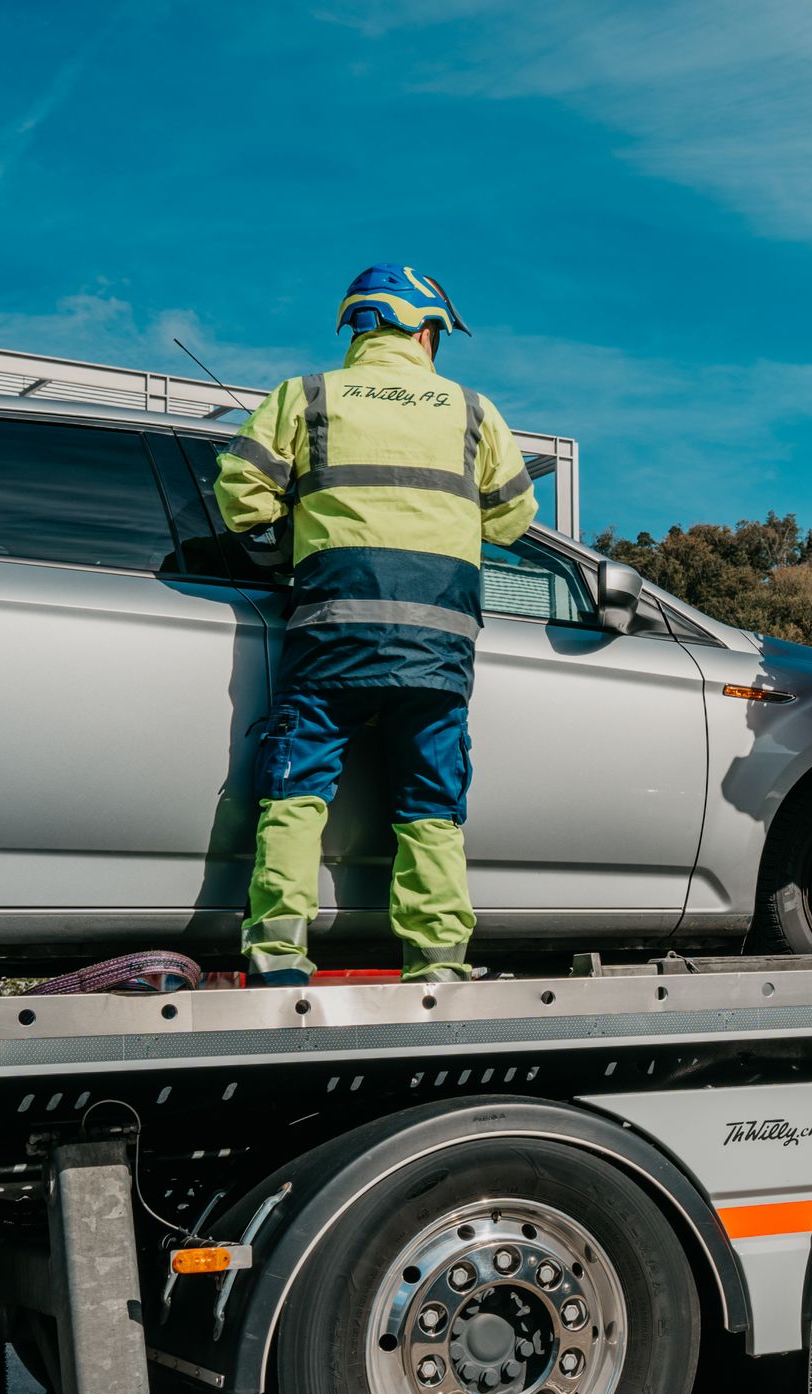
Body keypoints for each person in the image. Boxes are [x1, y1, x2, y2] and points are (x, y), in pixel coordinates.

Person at [215, 265, 537, 986]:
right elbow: (516, 519)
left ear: (359, 327)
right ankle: (437, 964)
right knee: (431, 804)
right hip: (436, 649)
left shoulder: (306, 396)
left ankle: (277, 957)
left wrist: (283, 533)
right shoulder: (474, 412)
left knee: (295, 794)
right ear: (426, 331)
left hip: (330, 637)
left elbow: (240, 494)